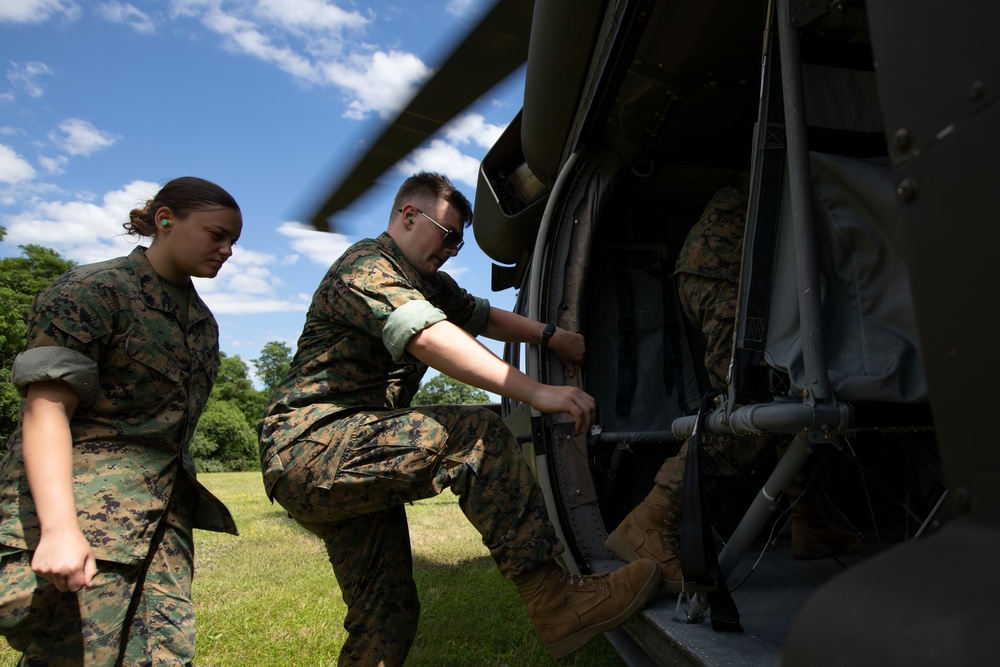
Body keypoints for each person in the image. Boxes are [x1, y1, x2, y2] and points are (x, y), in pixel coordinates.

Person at [259, 172, 659, 665]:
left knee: (387, 614)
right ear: (408, 216)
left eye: (459, 243)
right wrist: (539, 392)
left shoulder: (426, 283)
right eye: (447, 236)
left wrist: (551, 335)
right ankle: (554, 601)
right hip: (310, 445)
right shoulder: (365, 267)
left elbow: (481, 315)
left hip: (352, 452)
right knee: (475, 435)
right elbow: (428, 335)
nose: (452, 250)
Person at [0, 177, 243, 665]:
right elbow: (45, 408)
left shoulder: (201, 321)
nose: (227, 250)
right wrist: (59, 529)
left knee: (165, 654)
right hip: (87, 516)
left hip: (162, 521)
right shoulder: (93, 291)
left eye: (233, 241)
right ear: (165, 219)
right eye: (216, 234)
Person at [605, 171, 860, 590]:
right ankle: (650, 519)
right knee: (756, 411)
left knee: (792, 392)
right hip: (736, 274)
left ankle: (808, 518)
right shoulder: (824, 152)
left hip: (724, 269)